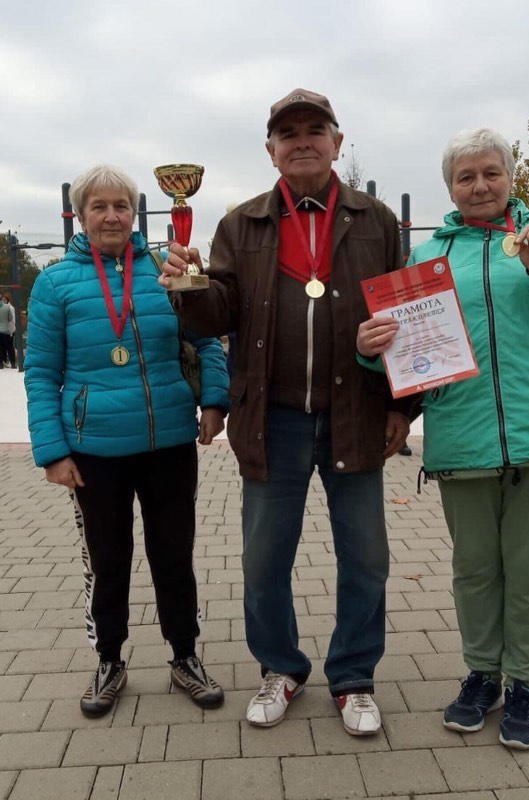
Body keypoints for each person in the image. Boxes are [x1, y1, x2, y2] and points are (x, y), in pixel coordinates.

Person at [161, 89, 414, 737]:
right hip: (270, 421)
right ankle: (281, 667)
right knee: (263, 559)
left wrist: (403, 406)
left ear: (336, 141)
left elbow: (410, 320)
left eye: (315, 129)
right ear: (270, 149)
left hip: (355, 415)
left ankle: (354, 677)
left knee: (366, 558)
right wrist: (189, 287)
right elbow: (218, 315)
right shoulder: (239, 224)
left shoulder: (378, 220)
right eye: (287, 132)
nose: (301, 140)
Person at [357, 127, 529, 749]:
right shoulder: (427, 259)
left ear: (511, 177)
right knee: (474, 568)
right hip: (461, 429)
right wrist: (369, 352)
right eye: (465, 177)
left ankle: (523, 683)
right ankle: (481, 674)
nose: (479, 185)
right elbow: (405, 354)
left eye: (490, 172)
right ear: (450, 188)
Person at [24, 164, 230, 717]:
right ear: (82, 215)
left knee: (174, 555)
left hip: (167, 443)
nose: (112, 215)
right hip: (95, 451)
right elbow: (40, 371)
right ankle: (109, 660)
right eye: (100, 206)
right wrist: (52, 451)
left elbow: (206, 338)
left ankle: (184, 655)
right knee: (108, 561)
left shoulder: (167, 268)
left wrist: (214, 402)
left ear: (134, 213)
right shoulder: (55, 283)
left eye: (121, 205)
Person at [0, 295, 15, 367]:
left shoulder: (10, 308)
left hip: (8, 331)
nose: (3, 301)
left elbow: (12, 320)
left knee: (8, 347)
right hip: (6, 330)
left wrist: (11, 331)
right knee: (6, 347)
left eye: (4, 300)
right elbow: (11, 319)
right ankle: (7, 362)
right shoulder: (7, 307)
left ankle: (9, 362)